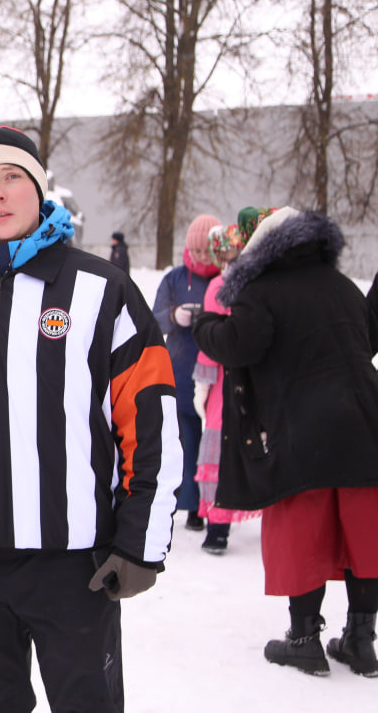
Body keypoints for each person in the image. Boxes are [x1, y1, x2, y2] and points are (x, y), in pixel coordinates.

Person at [0, 126, 183, 713]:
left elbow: (152, 422)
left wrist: (141, 542)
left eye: (12, 177)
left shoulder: (103, 290)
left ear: (39, 188)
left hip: (76, 564)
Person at [194, 207, 378, 678]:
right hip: (365, 424)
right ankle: (361, 641)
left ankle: (303, 641)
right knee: (364, 534)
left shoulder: (262, 291)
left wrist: (203, 325)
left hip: (300, 432)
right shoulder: (342, 286)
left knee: (302, 533)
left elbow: (240, 344)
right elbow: (367, 339)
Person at [190, 224, 260, 555]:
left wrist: (203, 382)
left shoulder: (218, 286)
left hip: (225, 378)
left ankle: (218, 528)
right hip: (255, 377)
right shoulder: (259, 283)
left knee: (218, 448)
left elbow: (211, 338)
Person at [152, 213, 221, 536]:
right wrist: (173, 315)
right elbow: (153, 320)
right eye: (197, 251)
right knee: (187, 442)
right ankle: (192, 505)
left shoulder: (226, 279)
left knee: (216, 442)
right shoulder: (175, 279)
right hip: (181, 370)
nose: (202, 257)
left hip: (219, 371)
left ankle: (217, 504)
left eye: (208, 251)